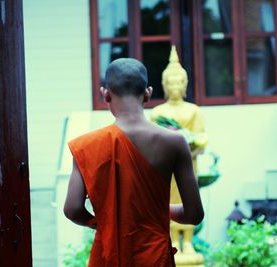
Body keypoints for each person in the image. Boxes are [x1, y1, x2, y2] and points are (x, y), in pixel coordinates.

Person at [63, 57, 204, 266]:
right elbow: (193, 214)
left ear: (105, 94)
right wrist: (157, 210)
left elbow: (72, 209)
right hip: (154, 256)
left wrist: (105, 223)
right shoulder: (174, 142)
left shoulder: (87, 146)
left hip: (107, 256)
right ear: (148, 94)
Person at [151, 46, 207, 258]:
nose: (175, 86)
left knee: (190, 197)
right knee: (170, 199)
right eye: (171, 82)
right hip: (166, 166)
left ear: (185, 84)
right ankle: (173, 240)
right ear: (165, 85)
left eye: (178, 82)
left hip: (188, 162)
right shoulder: (158, 113)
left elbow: (202, 136)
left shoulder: (194, 110)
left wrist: (191, 141)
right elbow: (152, 139)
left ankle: (189, 242)